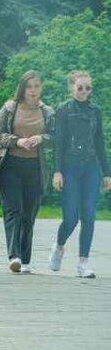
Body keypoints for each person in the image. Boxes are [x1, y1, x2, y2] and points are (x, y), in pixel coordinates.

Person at [0, 70, 54, 273]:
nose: (33, 90)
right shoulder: (10, 108)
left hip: (35, 167)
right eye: (29, 86)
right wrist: (18, 141)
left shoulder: (48, 112)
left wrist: (42, 138)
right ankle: (14, 256)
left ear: (41, 88)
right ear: (23, 88)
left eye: (36, 86)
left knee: (29, 215)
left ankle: (25, 260)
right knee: (13, 211)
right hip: (9, 165)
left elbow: (57, 136)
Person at [50, 70, 109, 278]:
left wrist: (106, 172)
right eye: (80, 87)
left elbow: (100, 142)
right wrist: (57, 171)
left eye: (88, 88)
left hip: (91, 168)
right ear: (72, 88)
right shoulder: (64, 110)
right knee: (71, 218)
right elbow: (59, 143)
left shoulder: (96, 111)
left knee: (89, 217)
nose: (84, 91)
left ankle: (83, 263)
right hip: (70, 168)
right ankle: (59, 246)